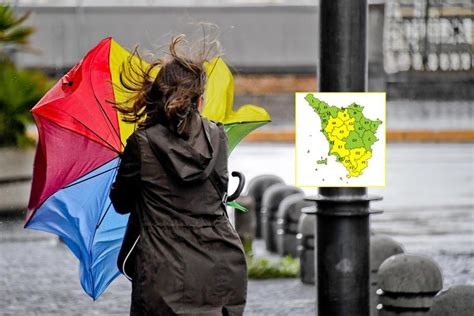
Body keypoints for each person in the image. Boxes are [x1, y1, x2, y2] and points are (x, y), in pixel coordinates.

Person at [109, 35, 248, 316]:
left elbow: (122, 203)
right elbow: (217, 193)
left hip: (164, 271)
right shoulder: (218, 135)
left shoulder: (142, 143)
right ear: (199, 99)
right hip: (221, 266)